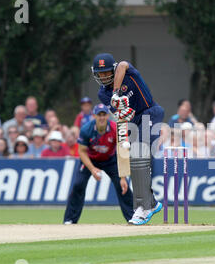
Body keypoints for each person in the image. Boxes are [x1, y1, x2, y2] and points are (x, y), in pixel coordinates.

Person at [92, 52, 164, 225]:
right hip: (133, 122)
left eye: (106, 72)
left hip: (150, 113)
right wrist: (122, 110)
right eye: (100, 74)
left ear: (113, 69)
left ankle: (143, 207)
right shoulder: (102, 94)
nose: (103, 77)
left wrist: (117, 94)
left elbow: (123, 65)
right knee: (135, 161)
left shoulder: (126, 71)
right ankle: (150, 203)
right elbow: (122, 115)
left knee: (140, 154)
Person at [63, 103, 134, 224]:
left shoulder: (115, 129)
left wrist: (123, 177)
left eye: (104, 115)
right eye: (99, 115)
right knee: (78, 185)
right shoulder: (86, 129)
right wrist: (92, 169)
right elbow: (81, 151)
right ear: (94, 116)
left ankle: (133, 217)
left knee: (123, 186)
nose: (101, 118)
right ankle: (69, 220)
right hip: (90, 159)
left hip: (110, 160)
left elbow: (122, 152)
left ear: (107, 116)